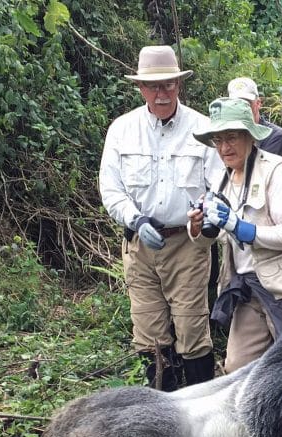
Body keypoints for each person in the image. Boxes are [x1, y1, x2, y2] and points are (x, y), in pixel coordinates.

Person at [99, 45, 222, 390]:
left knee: (191, 330)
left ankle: (200, 407)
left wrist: (208, 219)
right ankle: (160, 409)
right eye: (153, 86)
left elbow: (218, 187)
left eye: (168, 84)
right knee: (149, 330)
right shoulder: (122, 130)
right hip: (139, 247)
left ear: (178, 85)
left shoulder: (203, 128)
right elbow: (111, 189)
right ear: (140, 88)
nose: (161, 92)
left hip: (188, 243)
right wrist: (135, 220)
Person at [186, 97, 282, 373]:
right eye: (218, 140)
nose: (224, 147)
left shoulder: (279, 172)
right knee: (238, 367)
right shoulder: (223, 179)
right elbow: (216, 236)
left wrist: (245, 230)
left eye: (231, 137)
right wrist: (198, 227)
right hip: (247, 286)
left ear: (250, 137)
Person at [227, 77, 282, 157]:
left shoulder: (275, 136)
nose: (242, 108)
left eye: (246, 103)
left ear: (258, 103)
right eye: (236, 104)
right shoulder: (224, 137)